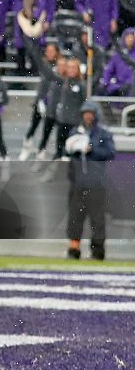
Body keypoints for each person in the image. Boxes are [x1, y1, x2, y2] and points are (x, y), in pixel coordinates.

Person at [64, 102, 115, 260]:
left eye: (90, 113)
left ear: (95, 115)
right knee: (75, 218)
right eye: (85, 113)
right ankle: (74, 248)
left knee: (97, 219)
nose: (87, 116)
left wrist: (92, 148)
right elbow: (65, 150)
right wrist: (73, 148)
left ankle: (98, 251)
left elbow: (110, 152)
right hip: (78, 183)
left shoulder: (103, 134)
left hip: (96, 184)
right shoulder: (75, 131)